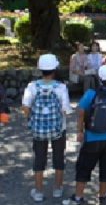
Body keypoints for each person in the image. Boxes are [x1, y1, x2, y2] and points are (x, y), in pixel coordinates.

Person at [62, 65, 106, 205]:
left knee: (84, 167)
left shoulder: (91, 94)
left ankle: (78, 197)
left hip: (91, 137)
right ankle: (102, 196)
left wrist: (80, 131)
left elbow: (80, 113)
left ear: (99, 79)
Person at [22, 54, 72, 202]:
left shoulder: (32, 86)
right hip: (58, 129)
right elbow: (65, 110)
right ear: (54, 69)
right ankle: (57, 189)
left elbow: (25, 107)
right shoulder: (61, 87)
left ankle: (38, 192)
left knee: (39, 159)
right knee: (58, 158)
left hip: (38, 130)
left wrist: (33, 119)